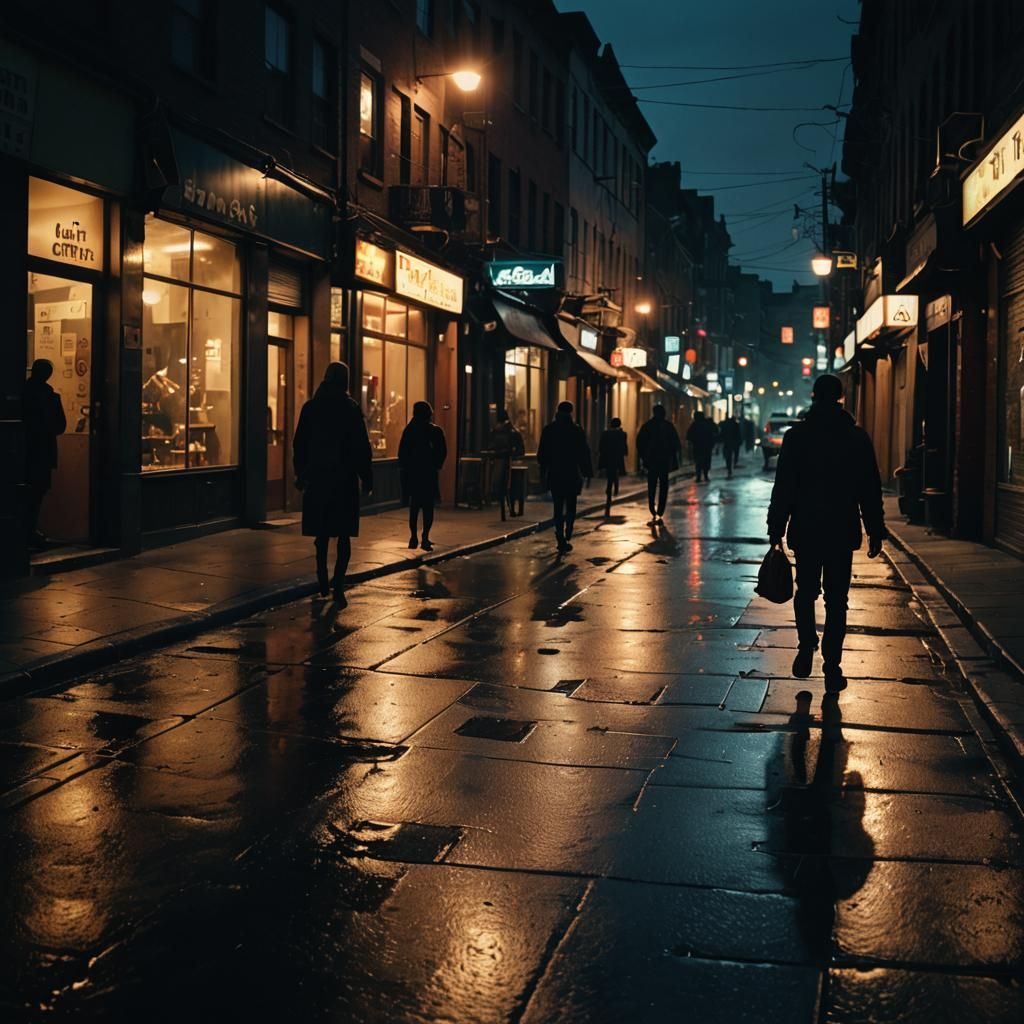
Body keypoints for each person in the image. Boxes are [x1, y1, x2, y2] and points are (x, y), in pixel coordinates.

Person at [767, 374, 886, 691]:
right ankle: (832, 665)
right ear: (840, 397)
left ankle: (806, 645)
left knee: (805, 593)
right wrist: (875, 530)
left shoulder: (796, 437)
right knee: (837, 600)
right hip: (840, 529)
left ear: (814, 396)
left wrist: (776, 526)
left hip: (806, 528)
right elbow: (869, 489)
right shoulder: (856, 438)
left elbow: (785, 487)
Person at [293, 362, 373, 604]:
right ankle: (338, 584)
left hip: (317, 478)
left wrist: (301, 474)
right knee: (343, 535)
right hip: (343, 479)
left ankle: (322, 581)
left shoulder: (311, 407)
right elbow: (361, 447)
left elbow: (299, 445)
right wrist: (366, 477)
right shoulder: (350, 408)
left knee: (322, 534)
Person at [537, 401, 593, 554]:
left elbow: (542, 455)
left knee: (558, 506)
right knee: (571, 506)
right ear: (571, 412)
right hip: (572, 473)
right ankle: (569, 530)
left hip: (555, 473)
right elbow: (584, 453)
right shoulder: (576, 430)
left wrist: (543, 473)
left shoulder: (549, 430)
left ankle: (560, 536)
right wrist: (587, 472)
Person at [22, 358, 66, 548]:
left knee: (26, 491)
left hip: (24, 450)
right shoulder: (51, 397)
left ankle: (26, 530)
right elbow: (60, 426)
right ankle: (30, 530)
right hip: (42, 451)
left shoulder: (22, 393)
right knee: (37, 492)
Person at [398, 401, 447, 552]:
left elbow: (402, 453)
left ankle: (413, 537)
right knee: (428, 507)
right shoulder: (434, 431)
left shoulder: (409, 430)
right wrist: (435, 465)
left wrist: (405, 469)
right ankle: (424, 537)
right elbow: (442, 451)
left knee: (414, 506)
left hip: (413, 473)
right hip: (428, 474)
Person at [636, 405, 681, 522]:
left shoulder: (647, 426)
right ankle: (660, 510)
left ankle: (652, 507)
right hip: (664, 461)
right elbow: (676, 444)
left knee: (652, 485)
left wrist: (643, 457)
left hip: (652, 461)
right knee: (663, 485)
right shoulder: (668, 426)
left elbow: (640, 442)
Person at [488, 409, 525, 520]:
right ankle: (510, 509)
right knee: (509, 487)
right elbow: (520, 449)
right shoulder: (511, 430)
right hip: (508, 461)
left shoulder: (496, 430)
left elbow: (491, 446)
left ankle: (507, 508)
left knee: (503, 486)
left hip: (500, 461)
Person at [597, 416, 628, 516]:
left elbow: (601, 446)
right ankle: (614, 488)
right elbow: (624, 446)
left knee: (611, 474)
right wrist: (625, 453)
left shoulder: (605, 433)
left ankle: (611, 490)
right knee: (614, 473)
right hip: (617, 458)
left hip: (608, 457)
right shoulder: (622, 434)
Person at [686, 410, 716, 483]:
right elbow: (712, 434)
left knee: (698, 462)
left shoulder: (694, 425)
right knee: (706, 461)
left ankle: (699, 477)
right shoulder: (707, 424)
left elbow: (689, 435)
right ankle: (705, 476)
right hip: (706, 447)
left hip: (698, 446)